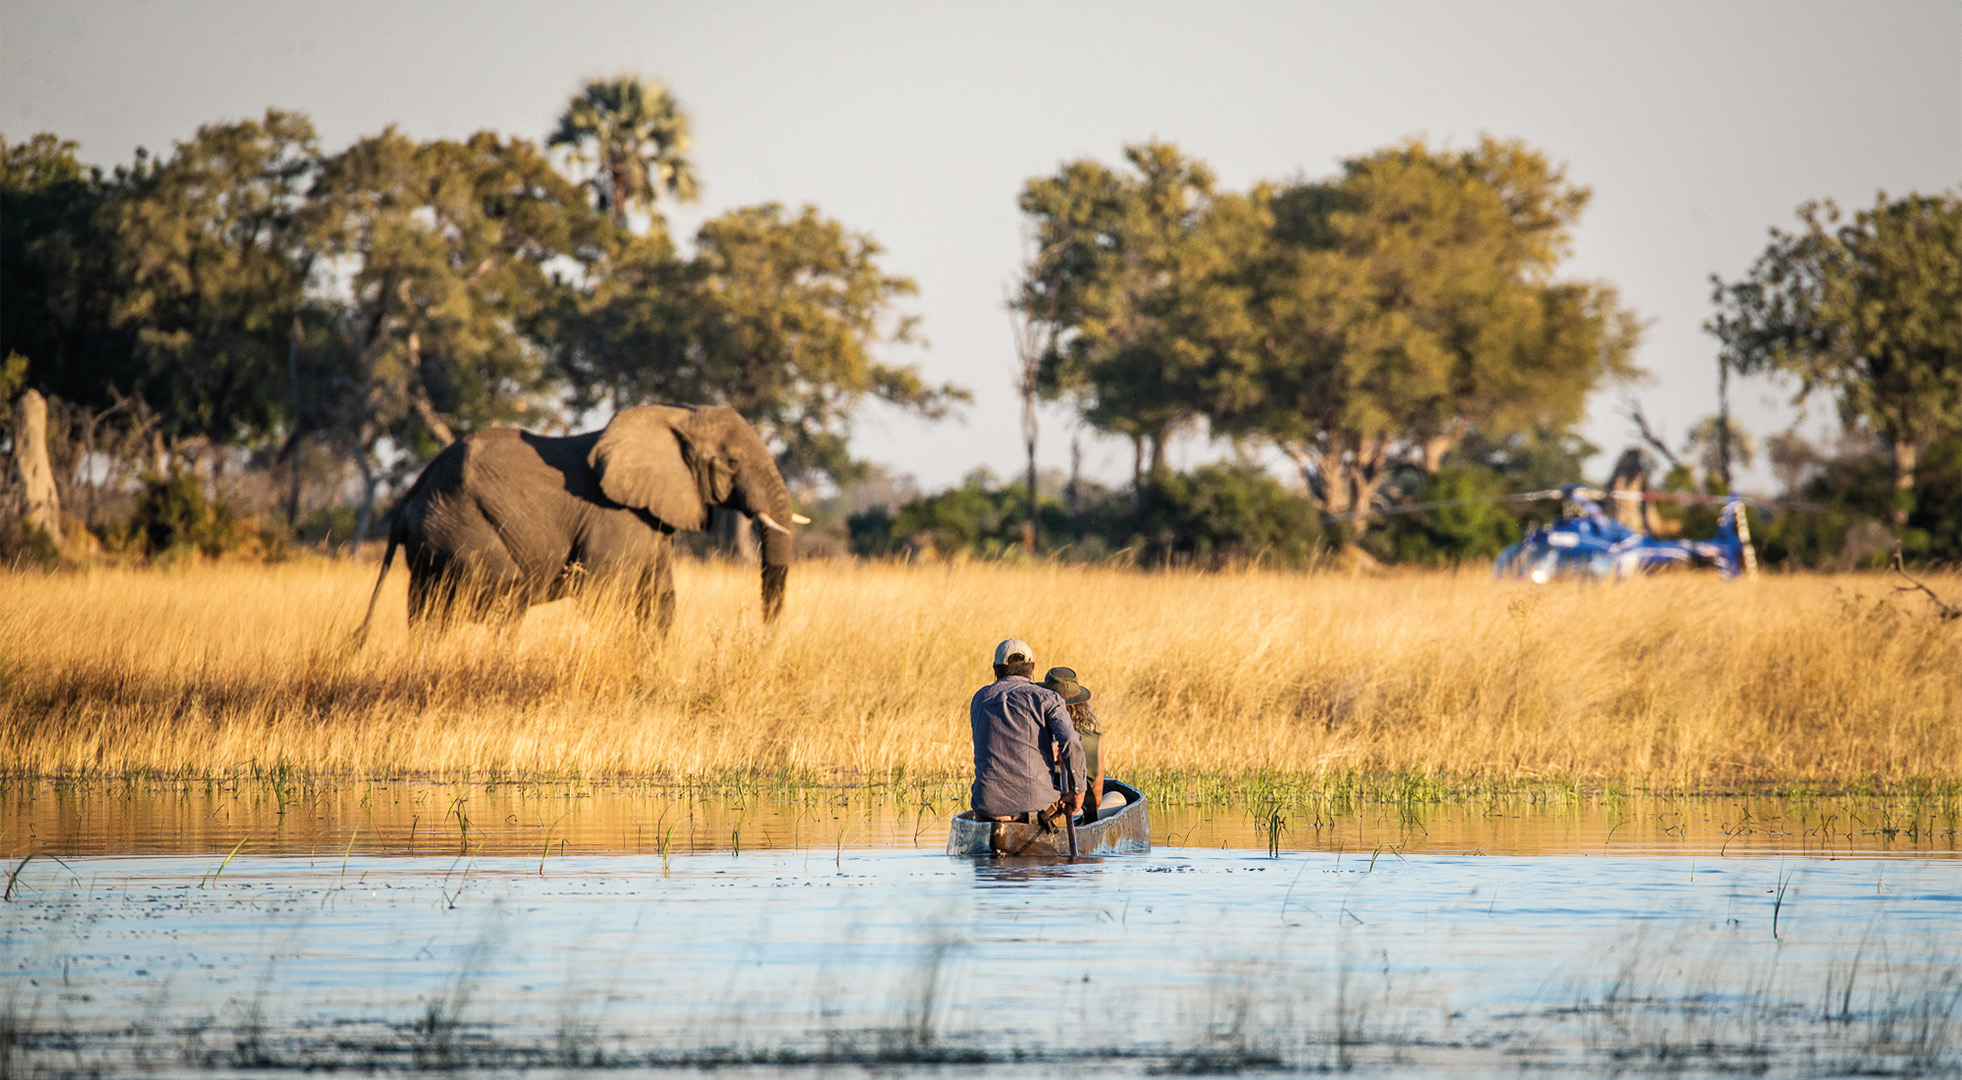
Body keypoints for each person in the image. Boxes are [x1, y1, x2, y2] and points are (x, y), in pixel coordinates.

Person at [968, 638, 1086, 826]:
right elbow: (1071, 739)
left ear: (995, 670)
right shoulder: (1048, 697)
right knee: (1081, 815)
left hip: (987, 807)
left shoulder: (980, 698)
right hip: (1039, 808)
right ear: (1032, 668)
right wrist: (1079, 790)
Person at [1041, 666, 1122, 821]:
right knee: (1117, 797)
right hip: (1077, 812)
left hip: (1045, 810)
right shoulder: (1094, 740)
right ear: (1080, 705)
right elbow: (1096, 800)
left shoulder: (1036, 738)